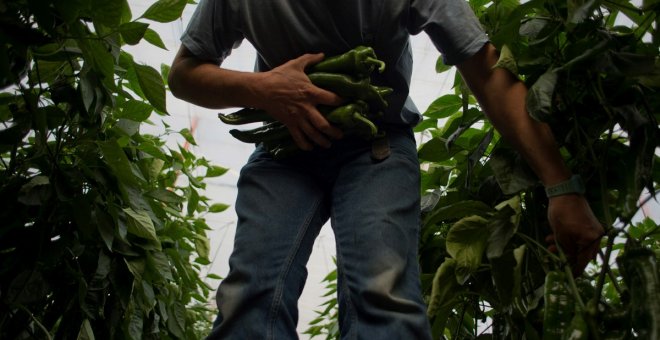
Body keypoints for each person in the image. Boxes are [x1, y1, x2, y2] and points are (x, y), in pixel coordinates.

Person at [168, 0, 605, 339]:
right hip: (284, 148)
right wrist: (264, 88)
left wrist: (562, 186)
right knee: (250, 294)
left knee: (383, 295)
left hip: (377, 145)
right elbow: (184, 73)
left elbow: (485, 69)